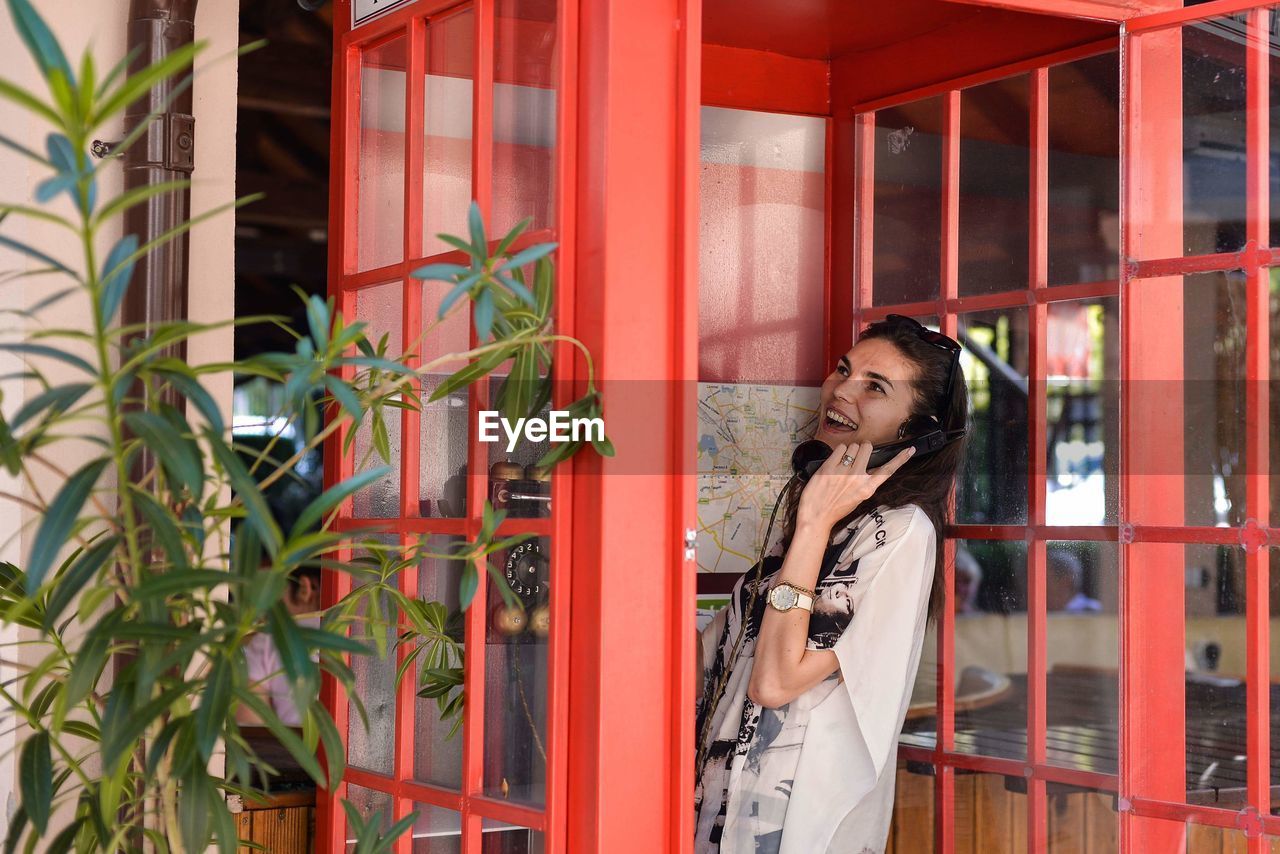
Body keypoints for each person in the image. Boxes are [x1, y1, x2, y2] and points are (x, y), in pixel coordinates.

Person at [694, 315, 968, 854]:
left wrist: (814, 525)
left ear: (915, 431)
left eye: (875, 387)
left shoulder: (899, 533)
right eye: (845, 370)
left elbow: (774, 683)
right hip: (715, 800)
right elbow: (714, 656)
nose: (842, 389)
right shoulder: (822, 512)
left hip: (791, 822)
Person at [237, 563, 322, 727]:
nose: (257, 610)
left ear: (305, 589)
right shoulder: (365, 635)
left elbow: (250, 725)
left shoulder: (268, 639)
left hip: (297, 749)